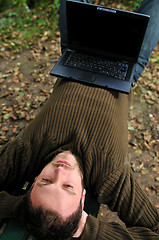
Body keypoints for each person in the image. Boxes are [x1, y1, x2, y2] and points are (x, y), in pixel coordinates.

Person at [0, 0, 159, 239]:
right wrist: (88, 230)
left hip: (77, 52)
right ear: (83, 198)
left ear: (32, 183)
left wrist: (21, 208)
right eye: (67, 187)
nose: (60, 171)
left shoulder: (25, 152)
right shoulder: (110, 177)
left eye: (45, 181)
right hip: (125, 63)